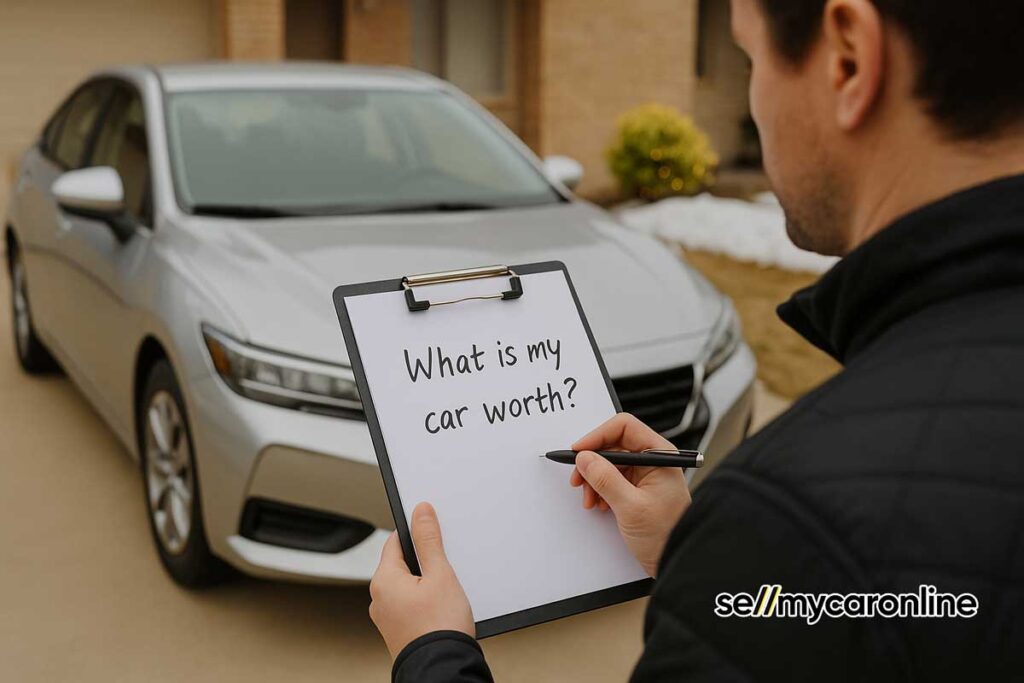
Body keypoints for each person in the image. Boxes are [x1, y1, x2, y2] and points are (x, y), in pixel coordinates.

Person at [368, 0, 1024, 679]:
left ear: (848, 58)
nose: (754, 99)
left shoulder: (793, 517)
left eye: (751, 57)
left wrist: (433, 651)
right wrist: (700, 555)